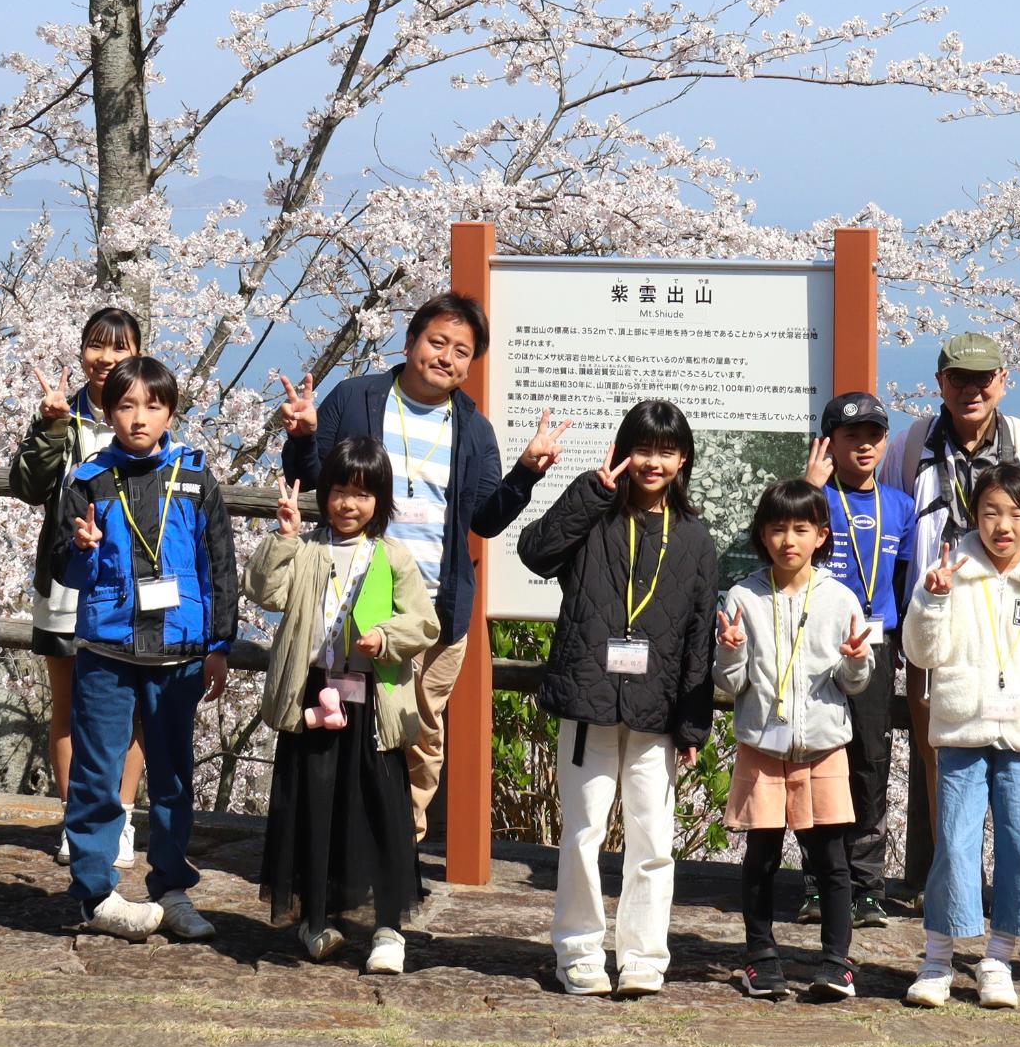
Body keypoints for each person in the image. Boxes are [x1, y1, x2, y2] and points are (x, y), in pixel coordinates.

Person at [280, 292, 568, 846]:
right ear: (411, 342)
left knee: (420, 733)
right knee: (348, 719)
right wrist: (305, 435)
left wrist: (527, 472)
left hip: (435, 610)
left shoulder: (473, 428)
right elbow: (315, 478)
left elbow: (485, 520)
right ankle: (339, 846)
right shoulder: (356, 398)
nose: (448, 358)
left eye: (462, 351)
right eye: (438, 342)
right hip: (351, 601)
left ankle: (398, 846)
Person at [879, 333, 1020, 896]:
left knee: (1017, 770)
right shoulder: (911, 445)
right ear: (940, 383)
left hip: (1012, 634)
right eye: (959, 379)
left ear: (1003, 380)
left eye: (983, 379)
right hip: (941, 625)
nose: (971, 390)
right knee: (939, 764)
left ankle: (1011, 896)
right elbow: (886, 518)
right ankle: (953, 888)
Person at [518, 399, 716, 997]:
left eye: (666, 450)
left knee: (653, 840)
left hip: (656, 712)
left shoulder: (695, 540)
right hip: (589, 701)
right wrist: (588, 493)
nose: (653, 462)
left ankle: (642, 958)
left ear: (683, 459)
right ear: (623, 451)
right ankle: (578, 952)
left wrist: (693, 723)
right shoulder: (596, 518)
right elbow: (535, 551)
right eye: (644, 448)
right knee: (582, 833)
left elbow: (698, 636)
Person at [56, 356, 236, 943]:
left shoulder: (196, 478)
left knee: (175, 776)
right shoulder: (86, 480)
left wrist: (220, 645)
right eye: (126, 406)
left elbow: (219, 566)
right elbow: (62, 570)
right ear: (107, 412)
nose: (139, 418)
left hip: (181, 652)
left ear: (171, 412)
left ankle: (172, 887)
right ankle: (95, 891)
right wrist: (81, 548)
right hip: (107, 651)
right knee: (97, 773)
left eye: (152, 406)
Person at [246, 438, 439, 975]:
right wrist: (283, 538)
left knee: (380, 811)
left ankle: (388, 928)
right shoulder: (307, 550)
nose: (347, 505)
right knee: (312, 806)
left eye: (361, 494)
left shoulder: (393, 556)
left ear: (381, 500)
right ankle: (314, 920)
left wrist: (386, 634)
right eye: (338, 492)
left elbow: (425, 623)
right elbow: (263, 591)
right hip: (313, 694)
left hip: (372, 703)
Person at [902, 463, 1020, 1013]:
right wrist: (931, 600)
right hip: (962, 728)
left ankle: (998, 959)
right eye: (990, 512)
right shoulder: (950, 570)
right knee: (954, 845)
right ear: (974, 515)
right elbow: (921, 652)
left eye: (1015, 513)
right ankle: (936, 960)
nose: (1001, 525)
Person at [715, 479, 873, 1001]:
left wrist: (856, 660)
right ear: (762, 535)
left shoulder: (840, 598)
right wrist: (731, 651)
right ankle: (761, 956)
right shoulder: (743, 596)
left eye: (801, 529)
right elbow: (729, 684)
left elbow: (855, 685)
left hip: (824, 745)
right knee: (761, 855)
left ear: (821, 535)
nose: (789, 540)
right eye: (778, 529)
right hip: (763, 747)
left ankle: (835, 961)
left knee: (831, 859)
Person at [7, 306, 148, 869]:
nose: (106, 358)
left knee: (132, 706)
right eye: (96, 345)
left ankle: (121, 817)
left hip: (131, 586)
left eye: (119, 347)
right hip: (66, 582)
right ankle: (76, 818)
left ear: (137, 353)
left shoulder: (147, 411)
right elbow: (27, 485)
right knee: (67, 705)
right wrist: (51, 427)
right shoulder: (61, 415)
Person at [798, 391, 917, 927]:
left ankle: (866, 884)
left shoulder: (901, 505)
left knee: (870, 761)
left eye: (874, 435)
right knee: (816, 757)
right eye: (851, 436)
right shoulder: (813, 502)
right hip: (816, 646)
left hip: (876, 643)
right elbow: (786, 549)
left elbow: (902, 581)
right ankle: (817, 880)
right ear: (829, 443)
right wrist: (808, 491)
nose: (864, 445)